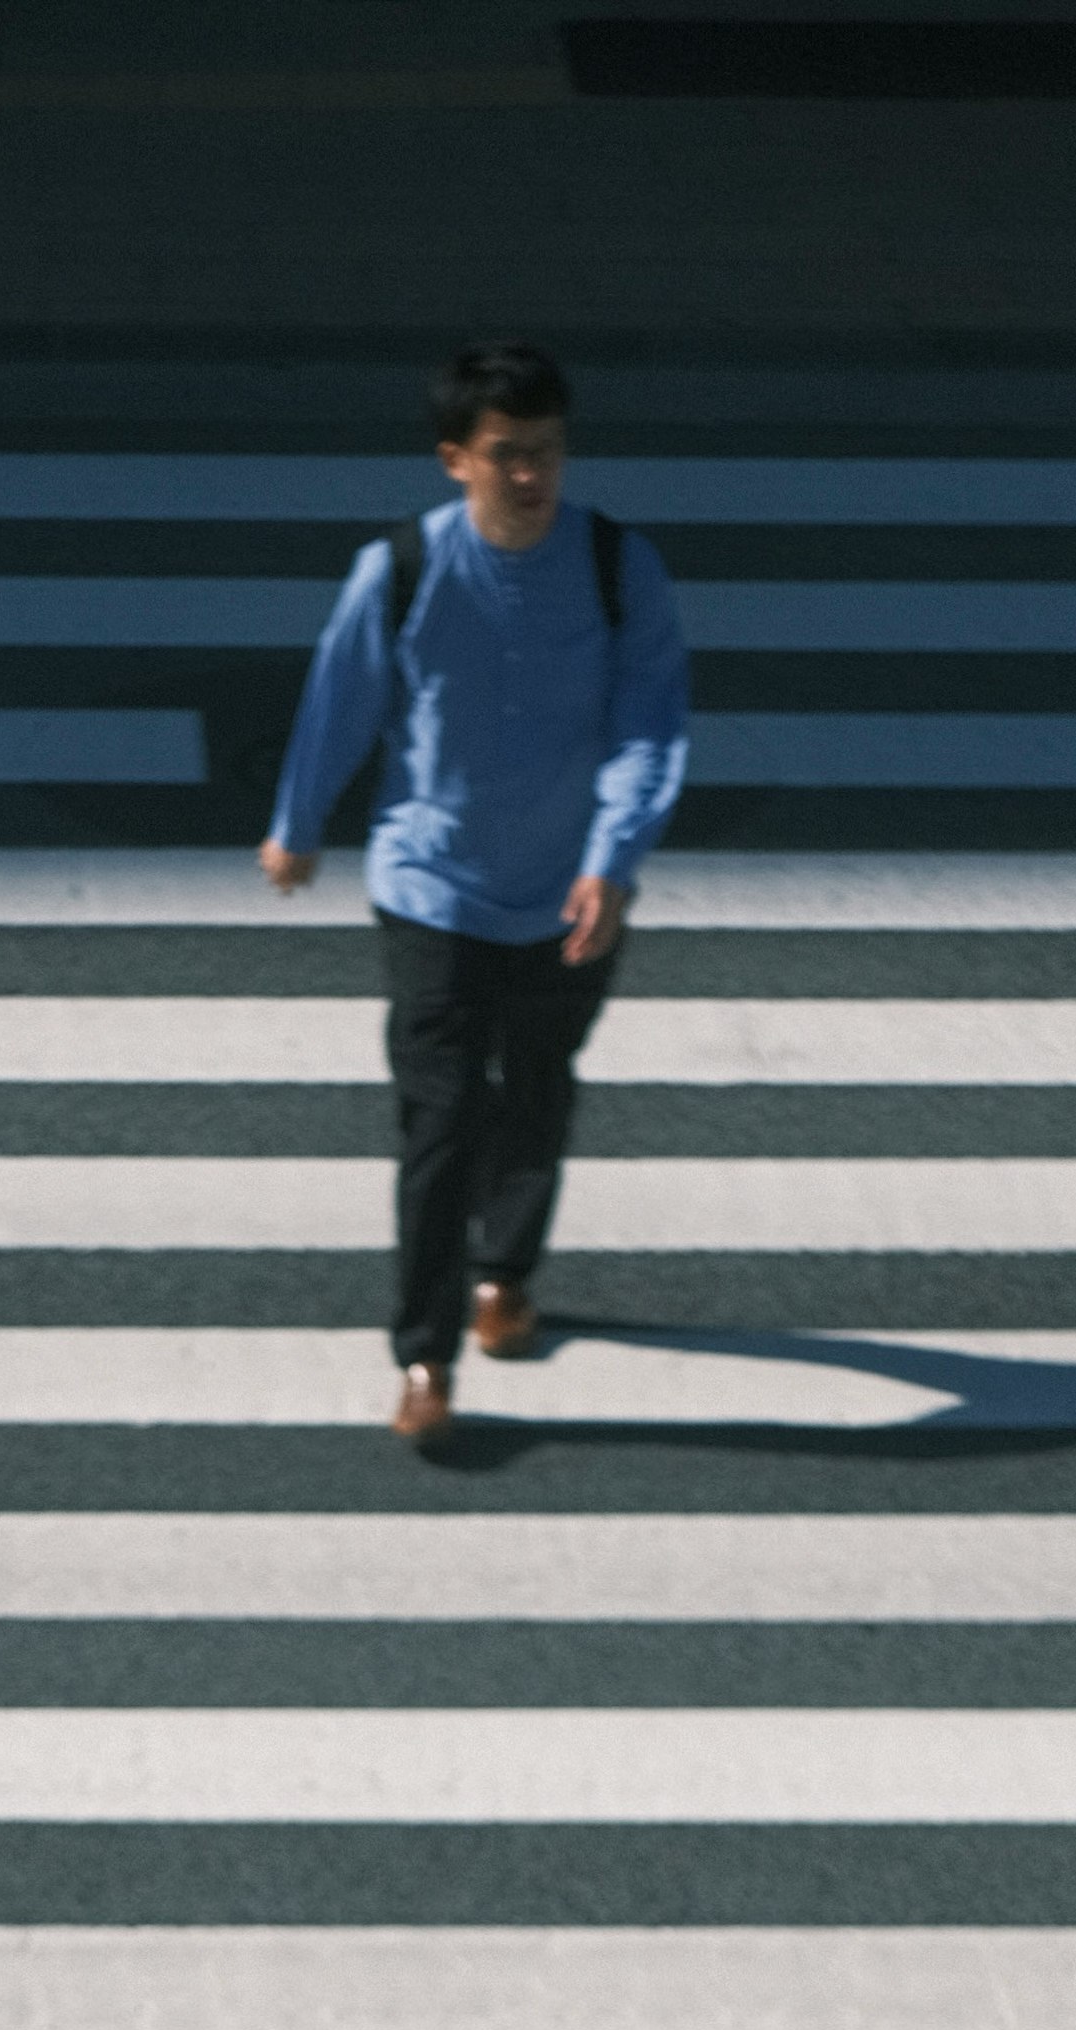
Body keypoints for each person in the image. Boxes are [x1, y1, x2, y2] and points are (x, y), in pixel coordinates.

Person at [258, 338, 692, 1449]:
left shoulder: (616, 564)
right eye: (507, 455)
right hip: (431, 883)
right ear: (456, 459)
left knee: (537, 1090)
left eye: (546, 452)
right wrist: (298, 823)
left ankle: (509, 1265)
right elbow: (339, 697)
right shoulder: (401, 567)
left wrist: (613, 860)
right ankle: (425, 1353)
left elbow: (650, 724)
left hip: (566, 889)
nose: (532, 476)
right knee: (441, 1123)